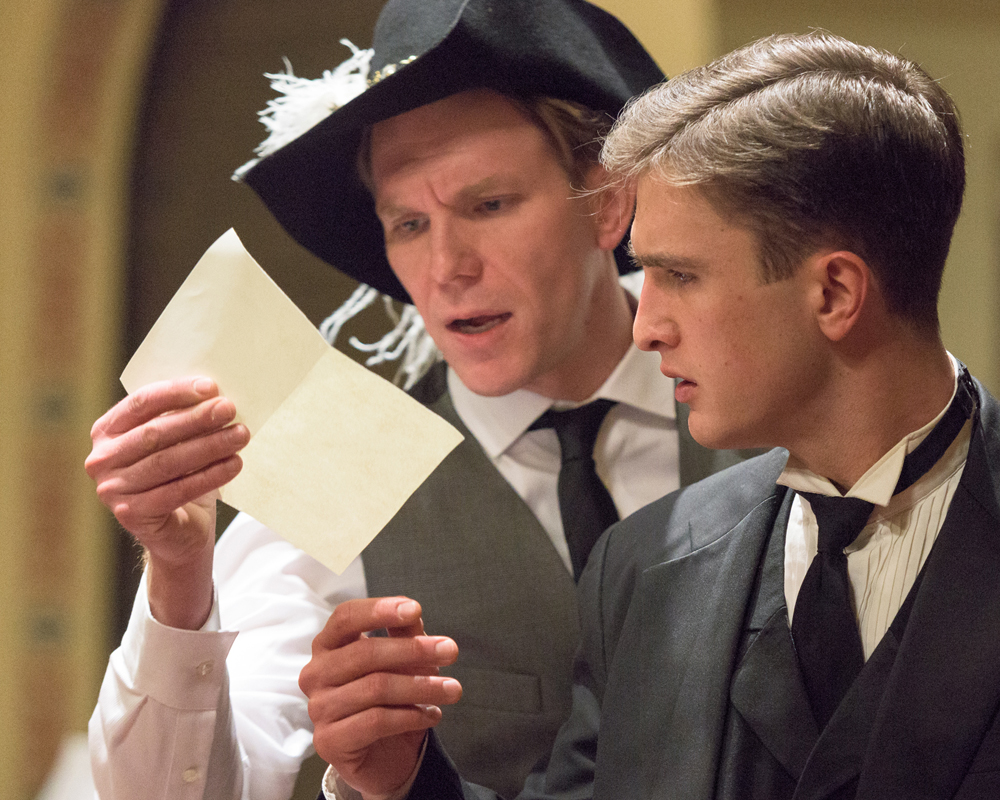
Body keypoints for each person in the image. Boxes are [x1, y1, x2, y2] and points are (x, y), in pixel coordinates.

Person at [306, 29, 1000, 800]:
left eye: (678, 274)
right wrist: (406, 784)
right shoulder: (639, 568)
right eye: (407, 223)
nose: (645, 325)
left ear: (834, 293)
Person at [85, 2, 749, 799]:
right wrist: (179, 575)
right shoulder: (341, 471)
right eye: (407, 223)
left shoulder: (761, 399)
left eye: (488, 205)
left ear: (607, 204)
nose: (445, 267)